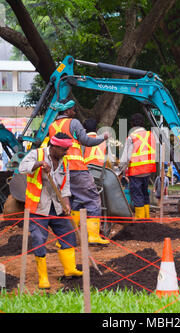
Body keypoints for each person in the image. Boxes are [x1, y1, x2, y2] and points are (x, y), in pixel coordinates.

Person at [19, 132, 82, 289]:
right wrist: (39, 164)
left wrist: (66, 203)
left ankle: (69, 269)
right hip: (38, 208)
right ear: (53, 147)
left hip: (58, 206)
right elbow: (22, 168)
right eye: (63, 149)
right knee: (39, 240)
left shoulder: (64, 161)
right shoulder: (36, 153)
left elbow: (65, 186)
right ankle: (43, 277)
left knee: (68, 235)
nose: (66, 152)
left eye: (67, 149)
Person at [48, 100, 110, 246]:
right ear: (68, 110)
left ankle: (66, 237)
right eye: (73, 110)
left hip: (61, 169)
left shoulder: (52, 126)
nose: (74, 112)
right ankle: (93, 236)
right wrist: (103, 138)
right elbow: (86, 141)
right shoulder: (73, 123)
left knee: (74, 202)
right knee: (93, 198)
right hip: (76, 168)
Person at [119, 113, 156, 219]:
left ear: (132, 124)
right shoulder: (151, 135)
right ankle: (146, 217)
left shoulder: (132, 137)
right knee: (145, 192)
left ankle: (140, 219)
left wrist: (120, 169)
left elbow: (125, 157)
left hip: (136, 170)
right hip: (148, 170)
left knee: (137, 194)